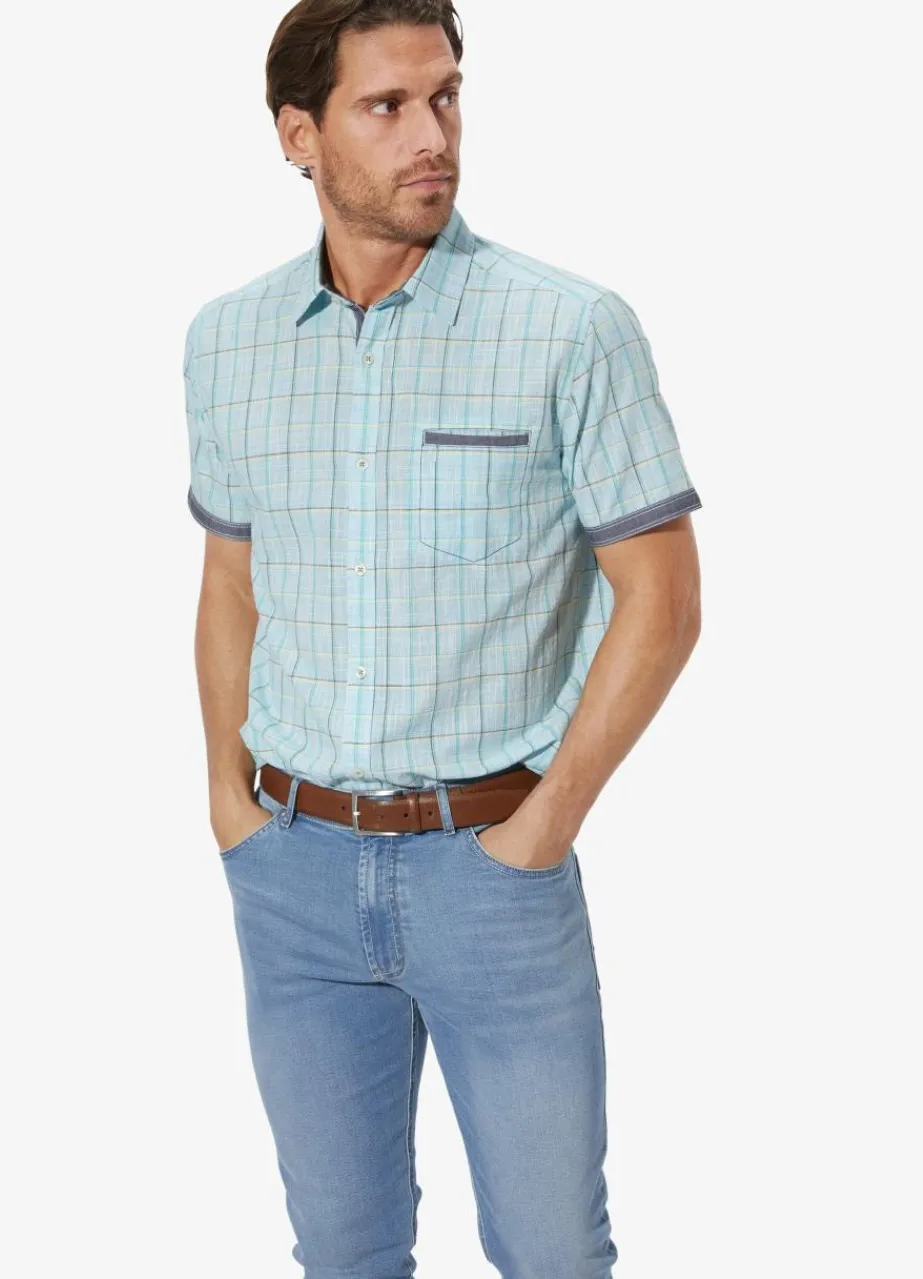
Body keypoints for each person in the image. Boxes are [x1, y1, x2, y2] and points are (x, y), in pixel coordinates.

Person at [182, 2, 702, 1273]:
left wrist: (541, 829)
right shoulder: (226, 341)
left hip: (493, 872)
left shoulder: (567, 327)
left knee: (552, 1252)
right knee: (341, 1251)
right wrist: (227, 802)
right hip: (291, 872)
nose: (434, 134)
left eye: (446, 96)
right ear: (298, 136)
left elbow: (662, 598)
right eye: (387, 106)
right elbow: (231, 580)